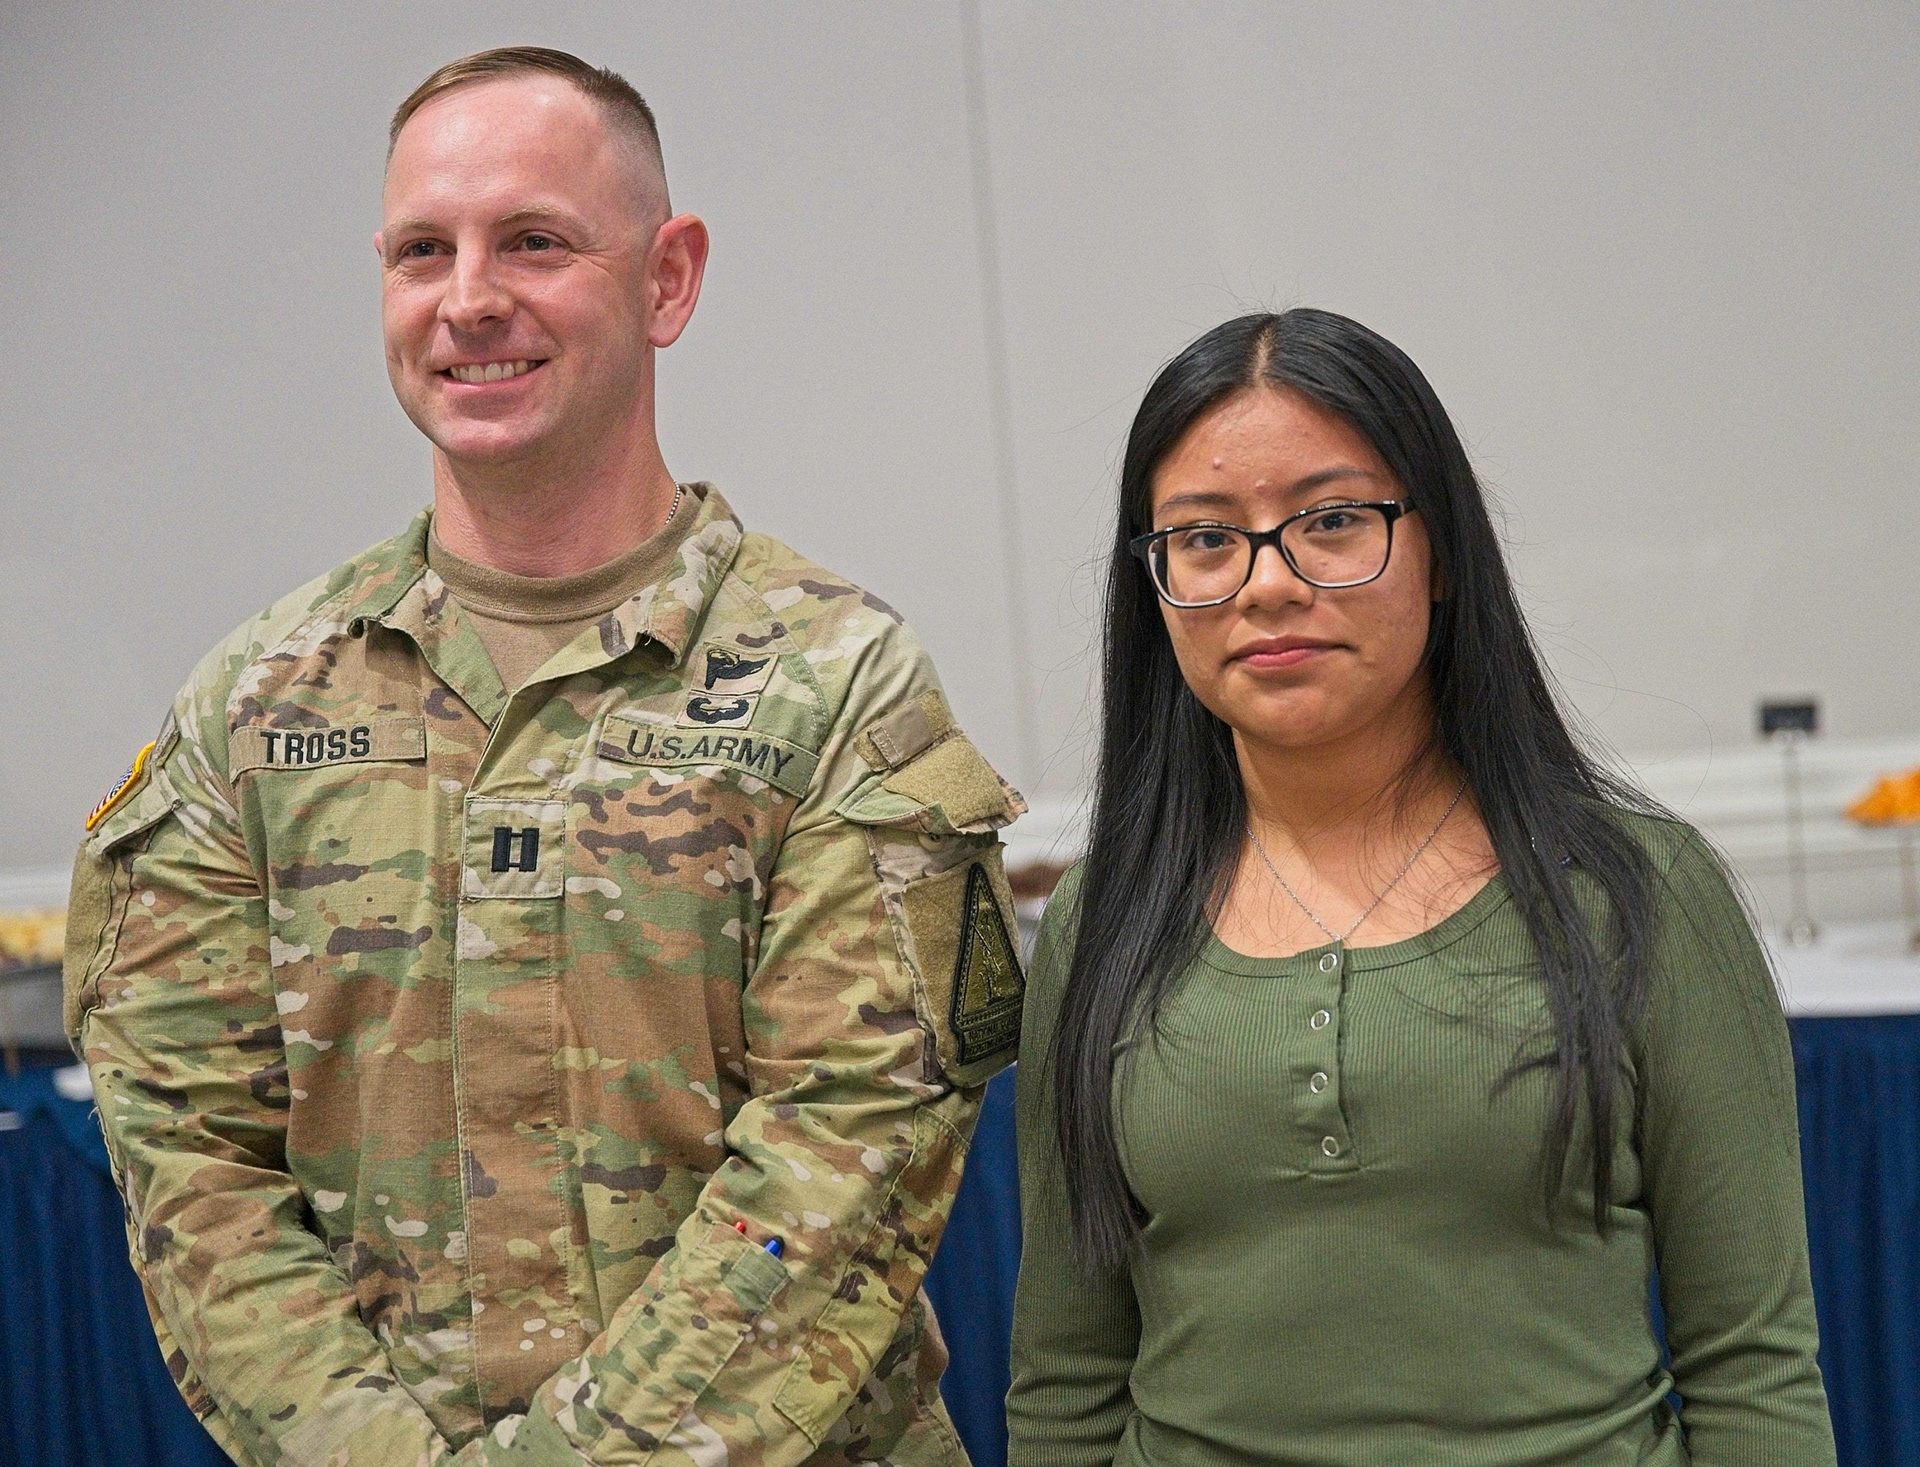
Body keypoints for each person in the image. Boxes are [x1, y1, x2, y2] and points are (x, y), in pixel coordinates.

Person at [63, 47, 1027, 1467]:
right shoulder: (252, 708)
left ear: (667, 279)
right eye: (422, 250)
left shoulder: (834, 686)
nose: (468, 298)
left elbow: (843, 1164)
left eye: (533, 241)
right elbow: (190, 1159)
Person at [1006, 309, 1835, 1465]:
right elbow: (1066, 1383)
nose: (1266, 583)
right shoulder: (1104, 920)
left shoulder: (1639, 892)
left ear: (1441, 554)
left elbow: (1754, 1371)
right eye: (1204, 538)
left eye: (1333, 522)